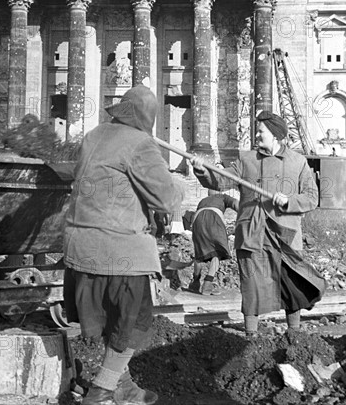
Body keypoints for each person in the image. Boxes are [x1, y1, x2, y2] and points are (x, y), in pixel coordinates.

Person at [63, 85, 184, 405]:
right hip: (117, 251)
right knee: (134, 321)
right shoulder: (141, 144)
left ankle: (124, 384)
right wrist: (182, 177)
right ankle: (102, 390)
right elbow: (165, 199)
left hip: (79, 247)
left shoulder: (94, 135)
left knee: (112, 319)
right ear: (148, 117)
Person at [191, 111, 325, 336]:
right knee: (251, 284)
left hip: (285, 234)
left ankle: (294, 333)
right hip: (252, 232)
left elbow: (312, 197)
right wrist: (202, 170)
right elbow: (222, 179)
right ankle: (250, 335)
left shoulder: (297, 161)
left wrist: (290, 201)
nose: (257, 135)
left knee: (289, 283)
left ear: (275, 135)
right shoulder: (247, 160)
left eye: (261, 131)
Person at [188, 192, 239, 296]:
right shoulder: (223, 197)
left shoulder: (203, 200)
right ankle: (207, 284)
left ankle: (195, 282)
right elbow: (236, 204)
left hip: (197, 221)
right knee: (217, 252)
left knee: (200, 252)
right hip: (213, 220)